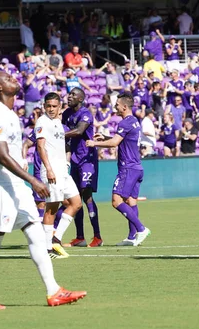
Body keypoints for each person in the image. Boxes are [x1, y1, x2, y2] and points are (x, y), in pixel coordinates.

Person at [0, 71, 86, 310]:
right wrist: (33, 180)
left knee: (35, 233)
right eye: (8, 78)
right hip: (0, 184)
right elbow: (2, 156)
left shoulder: (10, 113)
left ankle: (54, 291)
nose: (14, 78)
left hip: (16, 184)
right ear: (0, 88)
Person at [87, 93, 151, 247]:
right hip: (137, 167)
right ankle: (131, 237)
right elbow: (122, 140)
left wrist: (94, 143)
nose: (114, 107)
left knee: (116, 201)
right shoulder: (134, 121)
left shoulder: (124, 123)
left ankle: (141, 229)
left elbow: (115, 142)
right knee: (131, 201)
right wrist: (104, 136)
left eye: (116, 105)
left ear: (124, 106)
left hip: (127, 167)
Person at [36, 93, 83, 258]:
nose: (51, 109)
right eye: (48, 106)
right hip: (52, 171)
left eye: (54, 106)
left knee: (76, 203)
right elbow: (41, 147)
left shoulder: (57, 122)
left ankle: (56, 239)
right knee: (51, 209)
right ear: (44, 106)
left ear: (59, 107)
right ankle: (46, 249)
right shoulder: (42, 121)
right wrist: (48, 169)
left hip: (62, 170)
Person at [62, 88, 103, 248]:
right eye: (69, 94)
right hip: (74, 159)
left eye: (73, 95)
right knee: (75, 198)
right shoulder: (66, 114)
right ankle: (80, 237)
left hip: (87, 159)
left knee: (87, 196)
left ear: (81, 99)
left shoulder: (85, 114)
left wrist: (57, 134)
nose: (69, 96)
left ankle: (97, 237)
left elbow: (79, 131)